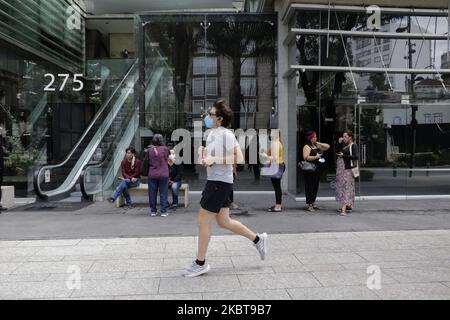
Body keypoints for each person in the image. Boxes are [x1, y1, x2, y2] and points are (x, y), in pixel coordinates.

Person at [183, 98, 267, 278]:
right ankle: (258, 239)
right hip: (217, 181)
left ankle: (200, 263)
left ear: (219, 118)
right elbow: (213, 159)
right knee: (224, 221)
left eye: (210, 114)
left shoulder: (226, 134)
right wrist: (203, 156)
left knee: (202, 220)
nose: (207, 116)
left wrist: (215, 160)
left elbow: (241, 159)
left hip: (219, 183)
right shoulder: (211, 134)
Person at [302, 131, 330, 212]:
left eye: (316, 136)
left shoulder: (316, 145)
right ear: (310, 138)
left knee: (315, 186)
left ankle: (313, 202)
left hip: (317, 169)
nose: (316, 138)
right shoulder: (306, 146)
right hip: (310, 169)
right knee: (309, 186)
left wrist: (318, 142)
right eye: (314, 137)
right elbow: (306, 157)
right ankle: (309, 203)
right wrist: (316, 156)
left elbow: (327, 146)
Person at [260, 129, 285, 212]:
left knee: (277, 186)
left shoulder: (276, 144)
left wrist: (264, 155)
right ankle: (278, 204)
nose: (270, 135)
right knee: (276, 186)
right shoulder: (276, 143)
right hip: (277, 165)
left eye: (271, 134)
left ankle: (278, 206)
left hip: (276, 166)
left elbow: (274, 158)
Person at [335, 130, 359, 216]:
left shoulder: (353, 145)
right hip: (341, 170)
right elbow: (337, 152)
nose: (343, 138)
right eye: (343, 136)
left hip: (348, 170)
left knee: (346, 188)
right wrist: (338, 143)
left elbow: (356, 157)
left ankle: (344, 209)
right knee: (342, 187)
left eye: (345, 136)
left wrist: (343, 156)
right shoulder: (344, 145)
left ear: (350, 137)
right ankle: (347, 206)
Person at [148, 134, 170, 217]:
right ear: (161, 141)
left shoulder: (149, 150)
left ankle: (153, 211)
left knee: (152, 193)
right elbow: (168, 158)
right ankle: (163, 211)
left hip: (152, 174)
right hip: (163, 173)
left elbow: (148, 160)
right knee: (163, 193)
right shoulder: (165, 149)